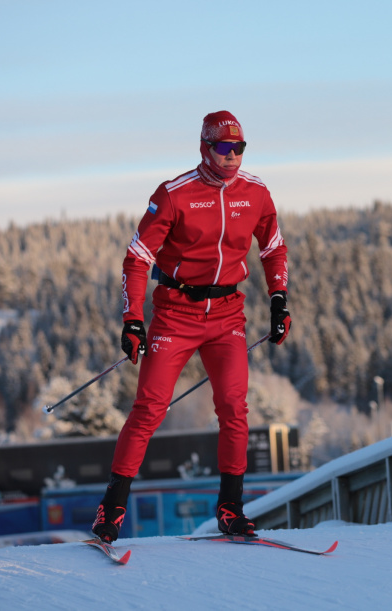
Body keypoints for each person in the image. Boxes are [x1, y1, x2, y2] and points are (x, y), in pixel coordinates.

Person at [91, 110, 291, 543]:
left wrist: (279, 300)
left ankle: (231, 509)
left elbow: (273, 248)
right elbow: (138, 257)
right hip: (176, 314)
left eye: (239, 148)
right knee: (149, 408)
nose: (232, 156)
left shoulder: (255, 193)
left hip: (226, 316)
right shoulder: (174, 194)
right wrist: (132, 320)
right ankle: (111, 508)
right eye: (224, 148)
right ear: (205, 147)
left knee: (235, 409)